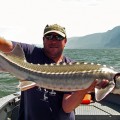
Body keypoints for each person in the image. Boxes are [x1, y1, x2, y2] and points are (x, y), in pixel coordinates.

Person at [0, 24, 108, 120]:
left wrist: (84, 89)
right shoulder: (32, 53)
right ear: (43, 40)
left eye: (59, 37)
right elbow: (4, 44)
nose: (53, 41)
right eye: (49, 36)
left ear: (65, 41)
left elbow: (67, 107)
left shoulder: (73, 68)